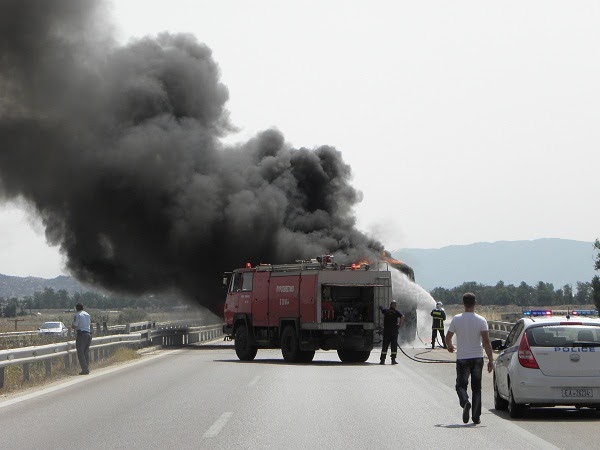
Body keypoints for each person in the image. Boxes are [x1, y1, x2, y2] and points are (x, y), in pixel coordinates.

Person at [445, 293, 493, 425]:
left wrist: (449, 346)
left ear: (463, 303)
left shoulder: (456, 319)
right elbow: (487, 341)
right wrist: (491, 360)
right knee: (477, 388)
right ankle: (476, 417)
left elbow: (448, 337)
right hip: (477, 357)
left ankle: (465, 402)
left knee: (461, 385)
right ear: (475, 303)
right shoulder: (481, 320)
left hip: (463, 358)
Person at [379, 300, 404, 365]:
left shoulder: (386, 311)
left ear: (390, 305)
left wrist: (381, 307)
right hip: (394, 332)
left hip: (386, 332)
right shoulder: (396, 312)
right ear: (395, 306)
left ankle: (382, 361)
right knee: (394, 346)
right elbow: (402, 317)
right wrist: (399, 325)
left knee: (385, 346)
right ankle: (393, 360)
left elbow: (382, 310)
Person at [72, 302, 92, 375]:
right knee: (86, 352)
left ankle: (85, 369)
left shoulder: (77, 315)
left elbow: (75, 325)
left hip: (81, 334)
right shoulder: (87, 314)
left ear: (76, 308)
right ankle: (86, 368)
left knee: (80, 353)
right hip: (88, 334)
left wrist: (72, 326)